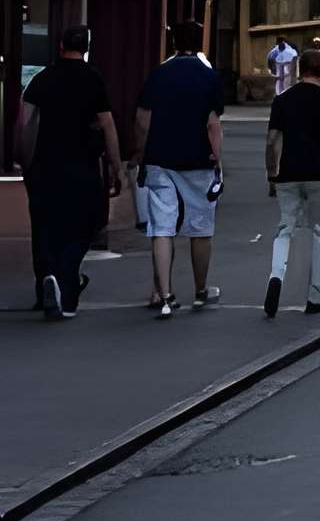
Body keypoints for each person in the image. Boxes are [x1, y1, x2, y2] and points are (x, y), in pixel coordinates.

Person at [19, 26, 122, 320]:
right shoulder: (93, 80)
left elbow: (26, 124)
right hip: (83, 167)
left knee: (45, 227)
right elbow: (108, 125)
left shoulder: (41, 79)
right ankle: (65, 283)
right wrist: (116, 167)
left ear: (60, 45)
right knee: (82, 227)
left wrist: (26, 161)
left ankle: (47, 280)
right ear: (86, 47)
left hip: (46, 165)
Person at [132, 20, 226, 319]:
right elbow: (213, 124)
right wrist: (217, 158)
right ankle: (200, 290)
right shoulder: (209, 77)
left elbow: (143, 119)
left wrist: (140, 152)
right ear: (201, 43)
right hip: (198, 160)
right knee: (200, 228)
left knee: (161, 227)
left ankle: (165, 294)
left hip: (160, 158)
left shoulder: (159, 74)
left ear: (173, 42)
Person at [264, 46, 320, 318]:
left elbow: (272, 141)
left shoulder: (283, 100)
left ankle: (276, 276)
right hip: (317, 174)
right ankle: (315, 296)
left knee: (284, 228)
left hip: (288, 172)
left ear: (300, 70)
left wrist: (271, 175)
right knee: (318, 232)